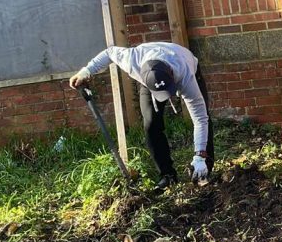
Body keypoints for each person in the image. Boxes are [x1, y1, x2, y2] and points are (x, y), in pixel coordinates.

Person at [69, 42, 214, 190]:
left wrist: (200, 155)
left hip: (182, 64)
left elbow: (200, 119)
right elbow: (109, 53)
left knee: (204, 117)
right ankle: (167, 175)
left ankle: (202, 169)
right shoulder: (132, 60)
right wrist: (86, 71)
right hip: (150, 75)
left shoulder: (185, 73)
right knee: (151, 123)